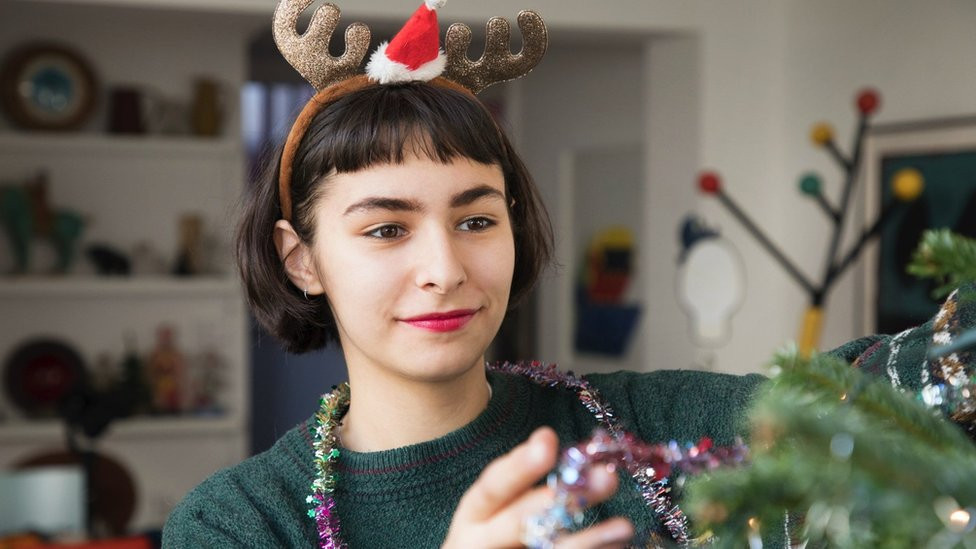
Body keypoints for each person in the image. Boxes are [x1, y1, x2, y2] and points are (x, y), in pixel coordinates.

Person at [162, 1, 976, 547]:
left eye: (477, 218)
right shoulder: (239, 520)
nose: (444, 268)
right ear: (300, 258)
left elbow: (871, 399)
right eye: (386, 228)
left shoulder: (646, 427)